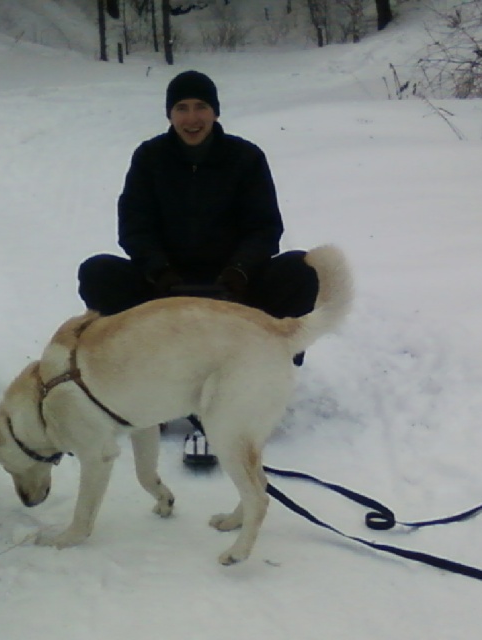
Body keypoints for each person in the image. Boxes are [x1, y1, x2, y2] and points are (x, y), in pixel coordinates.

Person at [77, 70, 319, 466]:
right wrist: (161, 273)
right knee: (97, 273)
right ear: (170, 114)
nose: (192, 118)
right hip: (165, 289)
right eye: (182, 108)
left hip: (234, 288)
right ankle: (142, 389)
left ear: (215, 111)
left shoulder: (246, 157)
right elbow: (134, 228)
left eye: (201, 107)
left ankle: (260, 380)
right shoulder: (150, 157)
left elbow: (265, 227)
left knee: (303, 270)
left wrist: (238, 272)